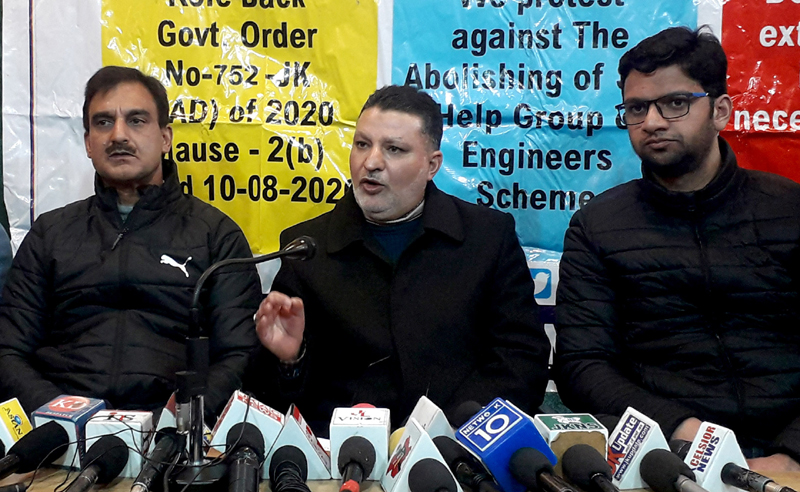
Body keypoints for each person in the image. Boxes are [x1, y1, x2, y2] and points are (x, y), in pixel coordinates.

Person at [555, 26, 800, 471]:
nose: (652, 122)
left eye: (675, 103)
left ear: (720, 110)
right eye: (637, 108)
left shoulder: (789, 210)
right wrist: (684, 431)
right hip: (669, 456)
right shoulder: (598, 226)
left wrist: (791, 455)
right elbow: (582, 365)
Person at [248, 85, 550, 431]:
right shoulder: (307, 247)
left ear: (432, 165)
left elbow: (521, 360)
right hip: (343, 449)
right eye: (362, 144)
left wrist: (447, 428)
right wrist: (290, 360)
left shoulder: (487, 237)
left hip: (455, 445)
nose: (371, 162)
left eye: (394, 149)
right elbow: (271, 397)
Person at [0, 66, 262, 419]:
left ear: (166, 138)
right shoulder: (51, 234)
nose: (118, 135)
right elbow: (9, 351)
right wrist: (62, 418)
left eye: (136, 121)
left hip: (175, 435)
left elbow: (240, 355)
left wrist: (174, 423)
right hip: (61, 434)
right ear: (88, 142)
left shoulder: (215, 235)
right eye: (103, 122)